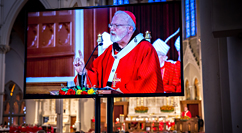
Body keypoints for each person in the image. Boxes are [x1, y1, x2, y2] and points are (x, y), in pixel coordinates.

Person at [73, 10, 163, 93]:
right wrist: (82, 72)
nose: (112, 28)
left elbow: (147, 83)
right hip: (105, 105)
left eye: (117, 26)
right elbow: (95, 77)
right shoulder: (109, 51)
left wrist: (117, 92)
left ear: (130, 29)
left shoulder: (145, 49)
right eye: (111, 25)